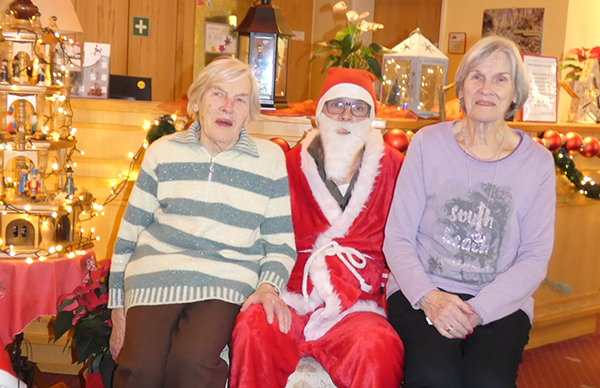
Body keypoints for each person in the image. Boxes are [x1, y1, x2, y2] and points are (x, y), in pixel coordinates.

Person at [107, 56, 296, 388]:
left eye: (240, 100)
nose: (228, 107)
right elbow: (129, 233)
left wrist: (268, 285)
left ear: (249, 113)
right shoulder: (162, 152)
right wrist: (118, 305)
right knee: (139, 370)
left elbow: (281, 241)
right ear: (196, 102)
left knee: (192, 365)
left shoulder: (269, 160)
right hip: (156, 274)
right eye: (217, 94)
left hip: (225, 279)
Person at [384, 35, 556, 388]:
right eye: (476, 76)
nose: (486, 88)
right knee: (434, 378)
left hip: (500, 299)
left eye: (500, 79)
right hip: (421, 290)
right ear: (460, 88)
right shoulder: (427, 144)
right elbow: (397, 238)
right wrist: (431, 299)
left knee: (488, 381)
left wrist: (479, 309)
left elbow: (535, 257)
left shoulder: (537, 162)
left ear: (515, 94)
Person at [229, 67, 405, 388]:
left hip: (358, 302)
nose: (346, 116)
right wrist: (267, 285)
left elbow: (407, 242)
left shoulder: (395, 167)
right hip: (293, 293)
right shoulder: (287, 165)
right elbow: (259, 235)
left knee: (378, 347)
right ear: (319, 113)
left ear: (370, 117)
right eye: (336, 105)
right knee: (254, 328)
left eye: (358, 107)